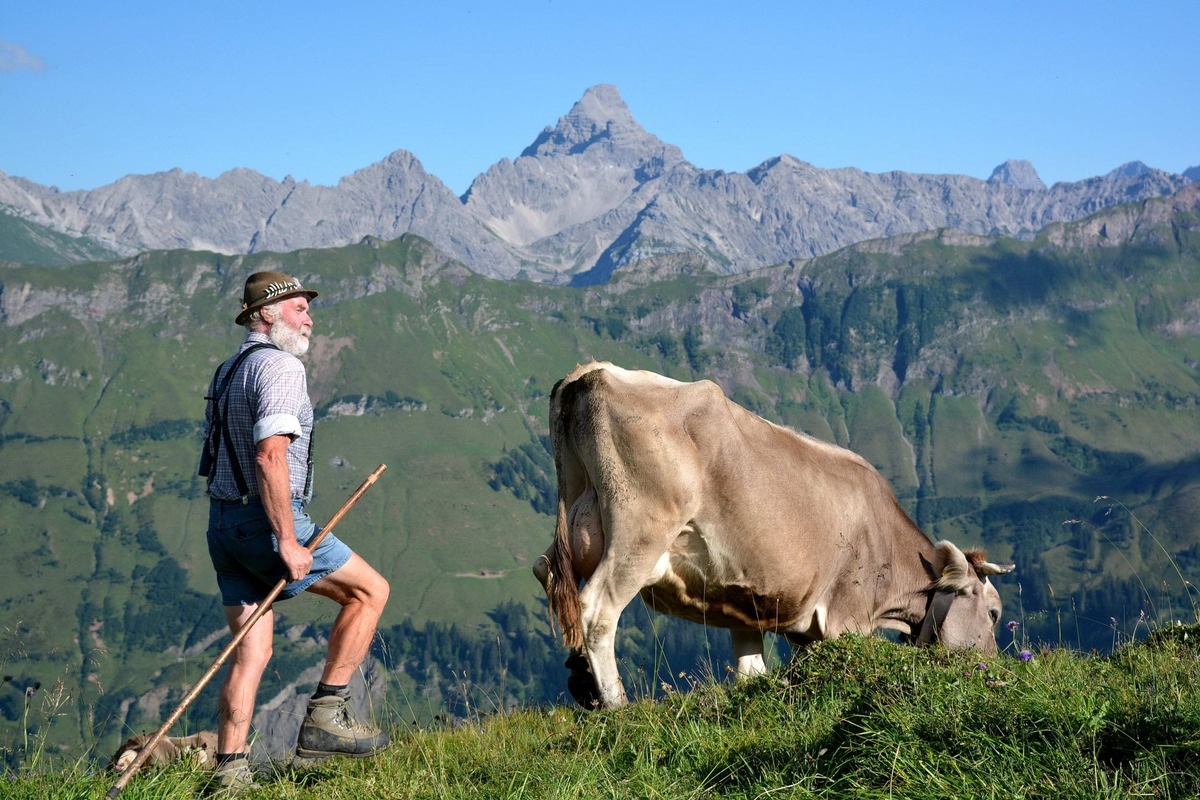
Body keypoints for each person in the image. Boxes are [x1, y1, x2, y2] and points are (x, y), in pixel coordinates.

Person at [200, 271, 391, 791]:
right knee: (370, 592)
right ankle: (326, 717)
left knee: (251, 652)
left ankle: (229, 772)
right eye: (298, 309)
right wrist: (287, 539)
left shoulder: (228, 368)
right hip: (267, 523)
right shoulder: (281, 366)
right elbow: (269, 453)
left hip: (223, 523)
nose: (309, 319)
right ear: (266, 313)